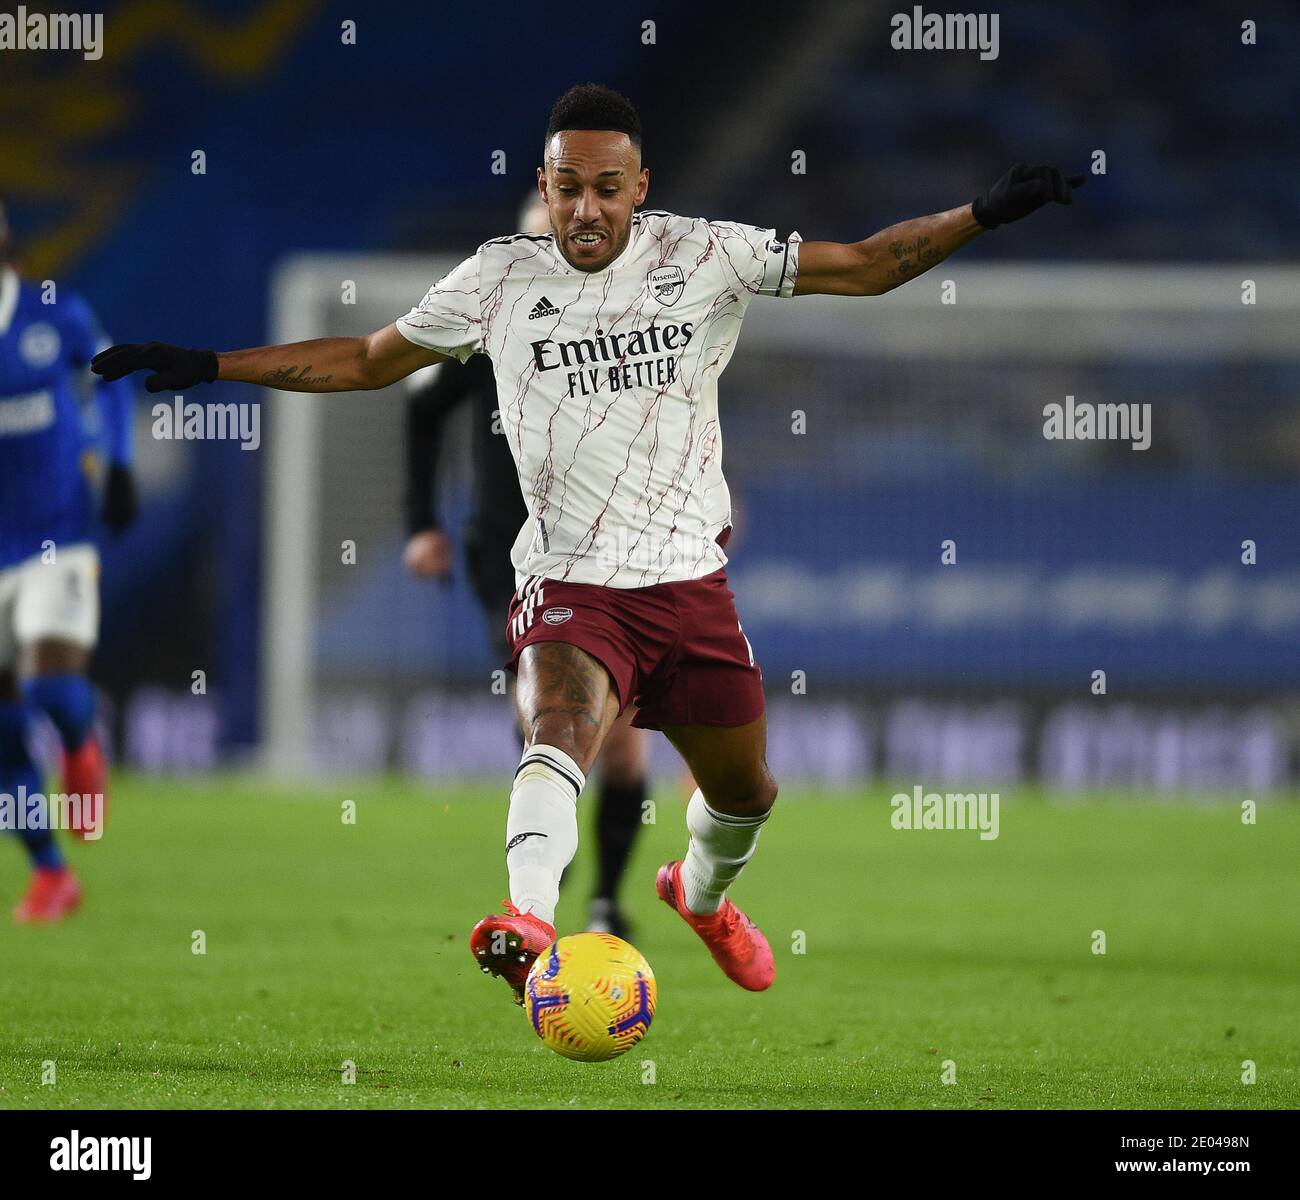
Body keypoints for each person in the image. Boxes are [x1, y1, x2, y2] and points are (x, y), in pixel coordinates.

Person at [91, 83, 1082, 1000]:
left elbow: (865, 267)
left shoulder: (703, 255)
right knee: (557, 723)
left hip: (688, 583)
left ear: (639, 187)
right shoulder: (496, 280)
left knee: (743, 796)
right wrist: (212, 361)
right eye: (568, 189)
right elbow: (363, 360)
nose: (586, 210)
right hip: (569, 584)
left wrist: (980, 214)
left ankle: (697, 896)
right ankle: (527, 918)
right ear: (545, 187)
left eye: (608, 189)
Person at [402, 193, 649, 937]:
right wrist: (420, 523)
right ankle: (542, 888)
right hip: (510, 559)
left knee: (623, 735)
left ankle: (603, 900)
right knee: (549, 721)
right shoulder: (494, 320)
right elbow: (418, 405)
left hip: (614, 552)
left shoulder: (625, 326)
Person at [0, 200, 138, 921]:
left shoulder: (52, 313)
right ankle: (52, 873)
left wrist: (117, 465)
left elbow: (110, 374)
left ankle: (81, 745)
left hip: (58, 532)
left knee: (50, 683)